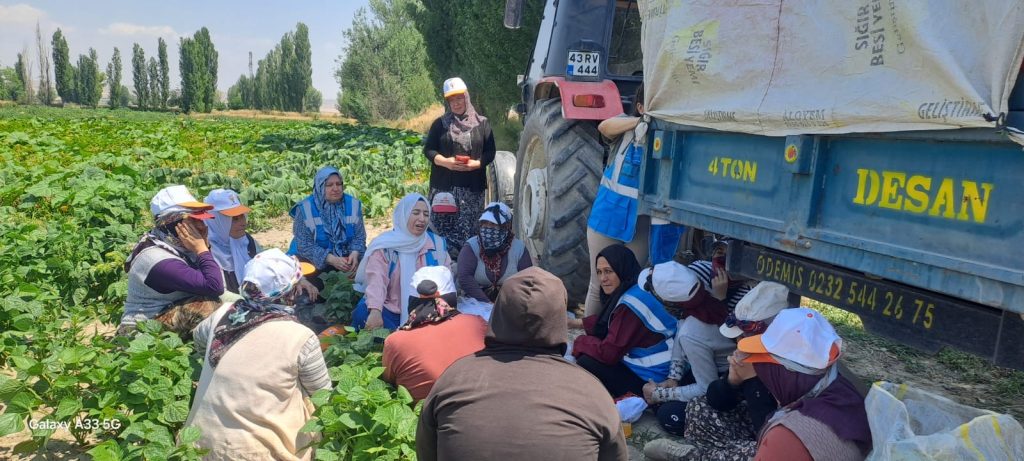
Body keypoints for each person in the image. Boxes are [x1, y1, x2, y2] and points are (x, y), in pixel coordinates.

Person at [417, 267, 628, 461]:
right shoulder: (592, 392)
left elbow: (427, 454)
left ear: (498, 313)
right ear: (558, 319)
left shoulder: (453, 379)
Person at [185, 248, 332, 461]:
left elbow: (199, 340)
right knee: (306, 399)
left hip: (199, 445)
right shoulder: (300, 337)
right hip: (257, 454)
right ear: (290, 292)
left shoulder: (223, 315)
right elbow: (324, 396)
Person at [643, 282, 789, 461]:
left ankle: (694, 456)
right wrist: (731, 382)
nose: (738, 341)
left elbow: (773, 432)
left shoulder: (791, 365)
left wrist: (755, 381)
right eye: (739, 336)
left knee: (759, 452)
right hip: (754, 425)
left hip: (780, 435)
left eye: (744, 336)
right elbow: (715, 399)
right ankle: (721, 453)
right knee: (699, 407)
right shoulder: (750, 354)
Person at [585, 84, 684, 317]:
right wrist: (641, 122)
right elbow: (604, 127)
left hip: (640, 224)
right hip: (607, 220)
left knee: (629, 286)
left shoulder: (669, 137)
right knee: (599, 283)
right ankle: (590, 340)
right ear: (640, 107)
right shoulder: (625, 129)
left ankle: (614, 339)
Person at [740, 307, 871, 461]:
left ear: (786, 372)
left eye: (764, 363)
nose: (761, 371)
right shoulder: (849, 394)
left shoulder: (785, 437)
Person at [572, 244, 677, 398]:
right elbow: (609, 323)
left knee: (586, 360)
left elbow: (608, 353)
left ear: (621, 269)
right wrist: (574, 323)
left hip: (652, 379)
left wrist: (579, 342)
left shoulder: (630, 305)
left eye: (608, 271)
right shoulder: (639, 287)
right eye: (599, 272)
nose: (603, 279)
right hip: (666, 368)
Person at [119, 185, 224, 337]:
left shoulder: (177, 246)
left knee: (235, 303)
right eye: (194, 221)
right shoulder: (157, 259)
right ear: (172, 224)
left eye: (201, 219)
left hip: (168, 312)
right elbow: (214, 285)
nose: (202, 226)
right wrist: (202, 249)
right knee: (209, 305)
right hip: (140, 329)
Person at [381, 266, 487, 401]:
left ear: (412, 301)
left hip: (428, 418)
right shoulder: (476, 324)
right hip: (484, 406)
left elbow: (388, 381)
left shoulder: (395, 342)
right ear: (452, 298)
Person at [351, 193, 451, 331]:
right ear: (402, 215)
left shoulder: (437, 244)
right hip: (391, 310)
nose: (422, 219)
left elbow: (446, 283)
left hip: (426, 309)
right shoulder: (385, 245)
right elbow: (377, 281)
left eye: (426, 214)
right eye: (415, 213)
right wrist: (375, 311)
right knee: (362, 314)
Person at [423, 77, 496, 260]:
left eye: (459, 99)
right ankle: (441, 265)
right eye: (451, 100)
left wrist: (477, 164)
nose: (456, 104)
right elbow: (429, 150)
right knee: (442, 230)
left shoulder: (482, 123)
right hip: (444, 188)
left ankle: (467, 269)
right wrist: (446, 162)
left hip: (473, 188)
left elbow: (490, 152)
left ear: (466, 98)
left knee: (470, 231)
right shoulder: (440, 124)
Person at [289, 166, 367, 282]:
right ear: (320, 186)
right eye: (329, 185)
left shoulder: (353, 204)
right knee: (310, 288)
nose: (335, 188)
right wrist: (330, 259)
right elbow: (304, 244)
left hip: (346, 258)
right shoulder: (305, 208)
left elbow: (359, 236)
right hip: (312, 259)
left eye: (338, 184)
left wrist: (355, 253)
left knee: (368, 277)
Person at [456, 201, 532, 303]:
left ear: (506, 226)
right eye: (485, 223)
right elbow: (465, 277)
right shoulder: (471, 246)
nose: (488, 228)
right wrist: (487, 304)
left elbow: (527, 280)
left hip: (510, 303)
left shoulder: (518, 248)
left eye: (493, 224)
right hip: (475, 302)